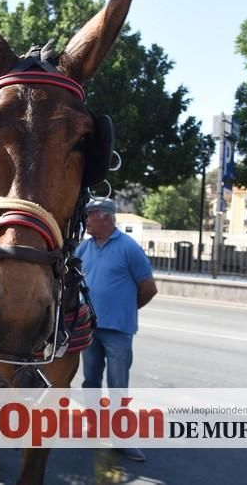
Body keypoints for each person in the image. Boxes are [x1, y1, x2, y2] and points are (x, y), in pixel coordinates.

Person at [76, 197, 157, 462]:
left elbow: (148, 288)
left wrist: (126, 310)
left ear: (107, 218)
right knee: (90, 382)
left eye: (90, 215)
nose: (86, 220)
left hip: (118, 331)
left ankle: (122, 439)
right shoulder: (83, 249)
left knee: (118, 385)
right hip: (88, 328)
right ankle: (92, 428)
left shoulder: (128, 248)